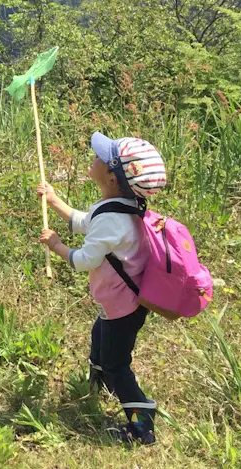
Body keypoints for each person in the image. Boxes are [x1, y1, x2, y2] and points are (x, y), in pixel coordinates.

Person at [37, 133, 168, 446]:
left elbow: (84, 260)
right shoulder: (120, 206)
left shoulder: (112, 219)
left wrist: (56, 246)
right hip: (121, 303)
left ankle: (142, 424)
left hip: (123, 308)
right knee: (100, 337)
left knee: (117, 365)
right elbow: (86, 221)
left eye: (99, 158)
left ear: (111, 177)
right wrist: (54, 201)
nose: (93, 158)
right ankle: (98, 380)